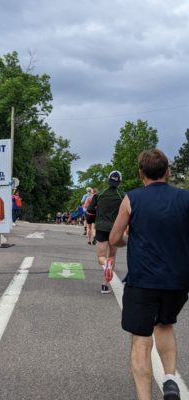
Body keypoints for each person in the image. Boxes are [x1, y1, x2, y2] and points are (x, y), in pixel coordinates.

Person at [109, 149, 189, 400]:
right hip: (177, 281)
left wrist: (126, 238)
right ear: (167, 171)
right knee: (165, 326)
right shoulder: (185, 199)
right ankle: (169, 378)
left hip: (143, 281)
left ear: (140, 174)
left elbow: (114, 239)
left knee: (141, 340)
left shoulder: (132, 199)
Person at [87, 171, 124, 294]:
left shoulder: (99, 194)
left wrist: (91, 222)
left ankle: (105, 263)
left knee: (101, 257)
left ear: (108, 180)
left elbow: (90, 211)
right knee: (112, 256)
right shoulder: (122, 196)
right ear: (119, 182)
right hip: (115, 229)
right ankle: (105, 285)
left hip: (101, 228)